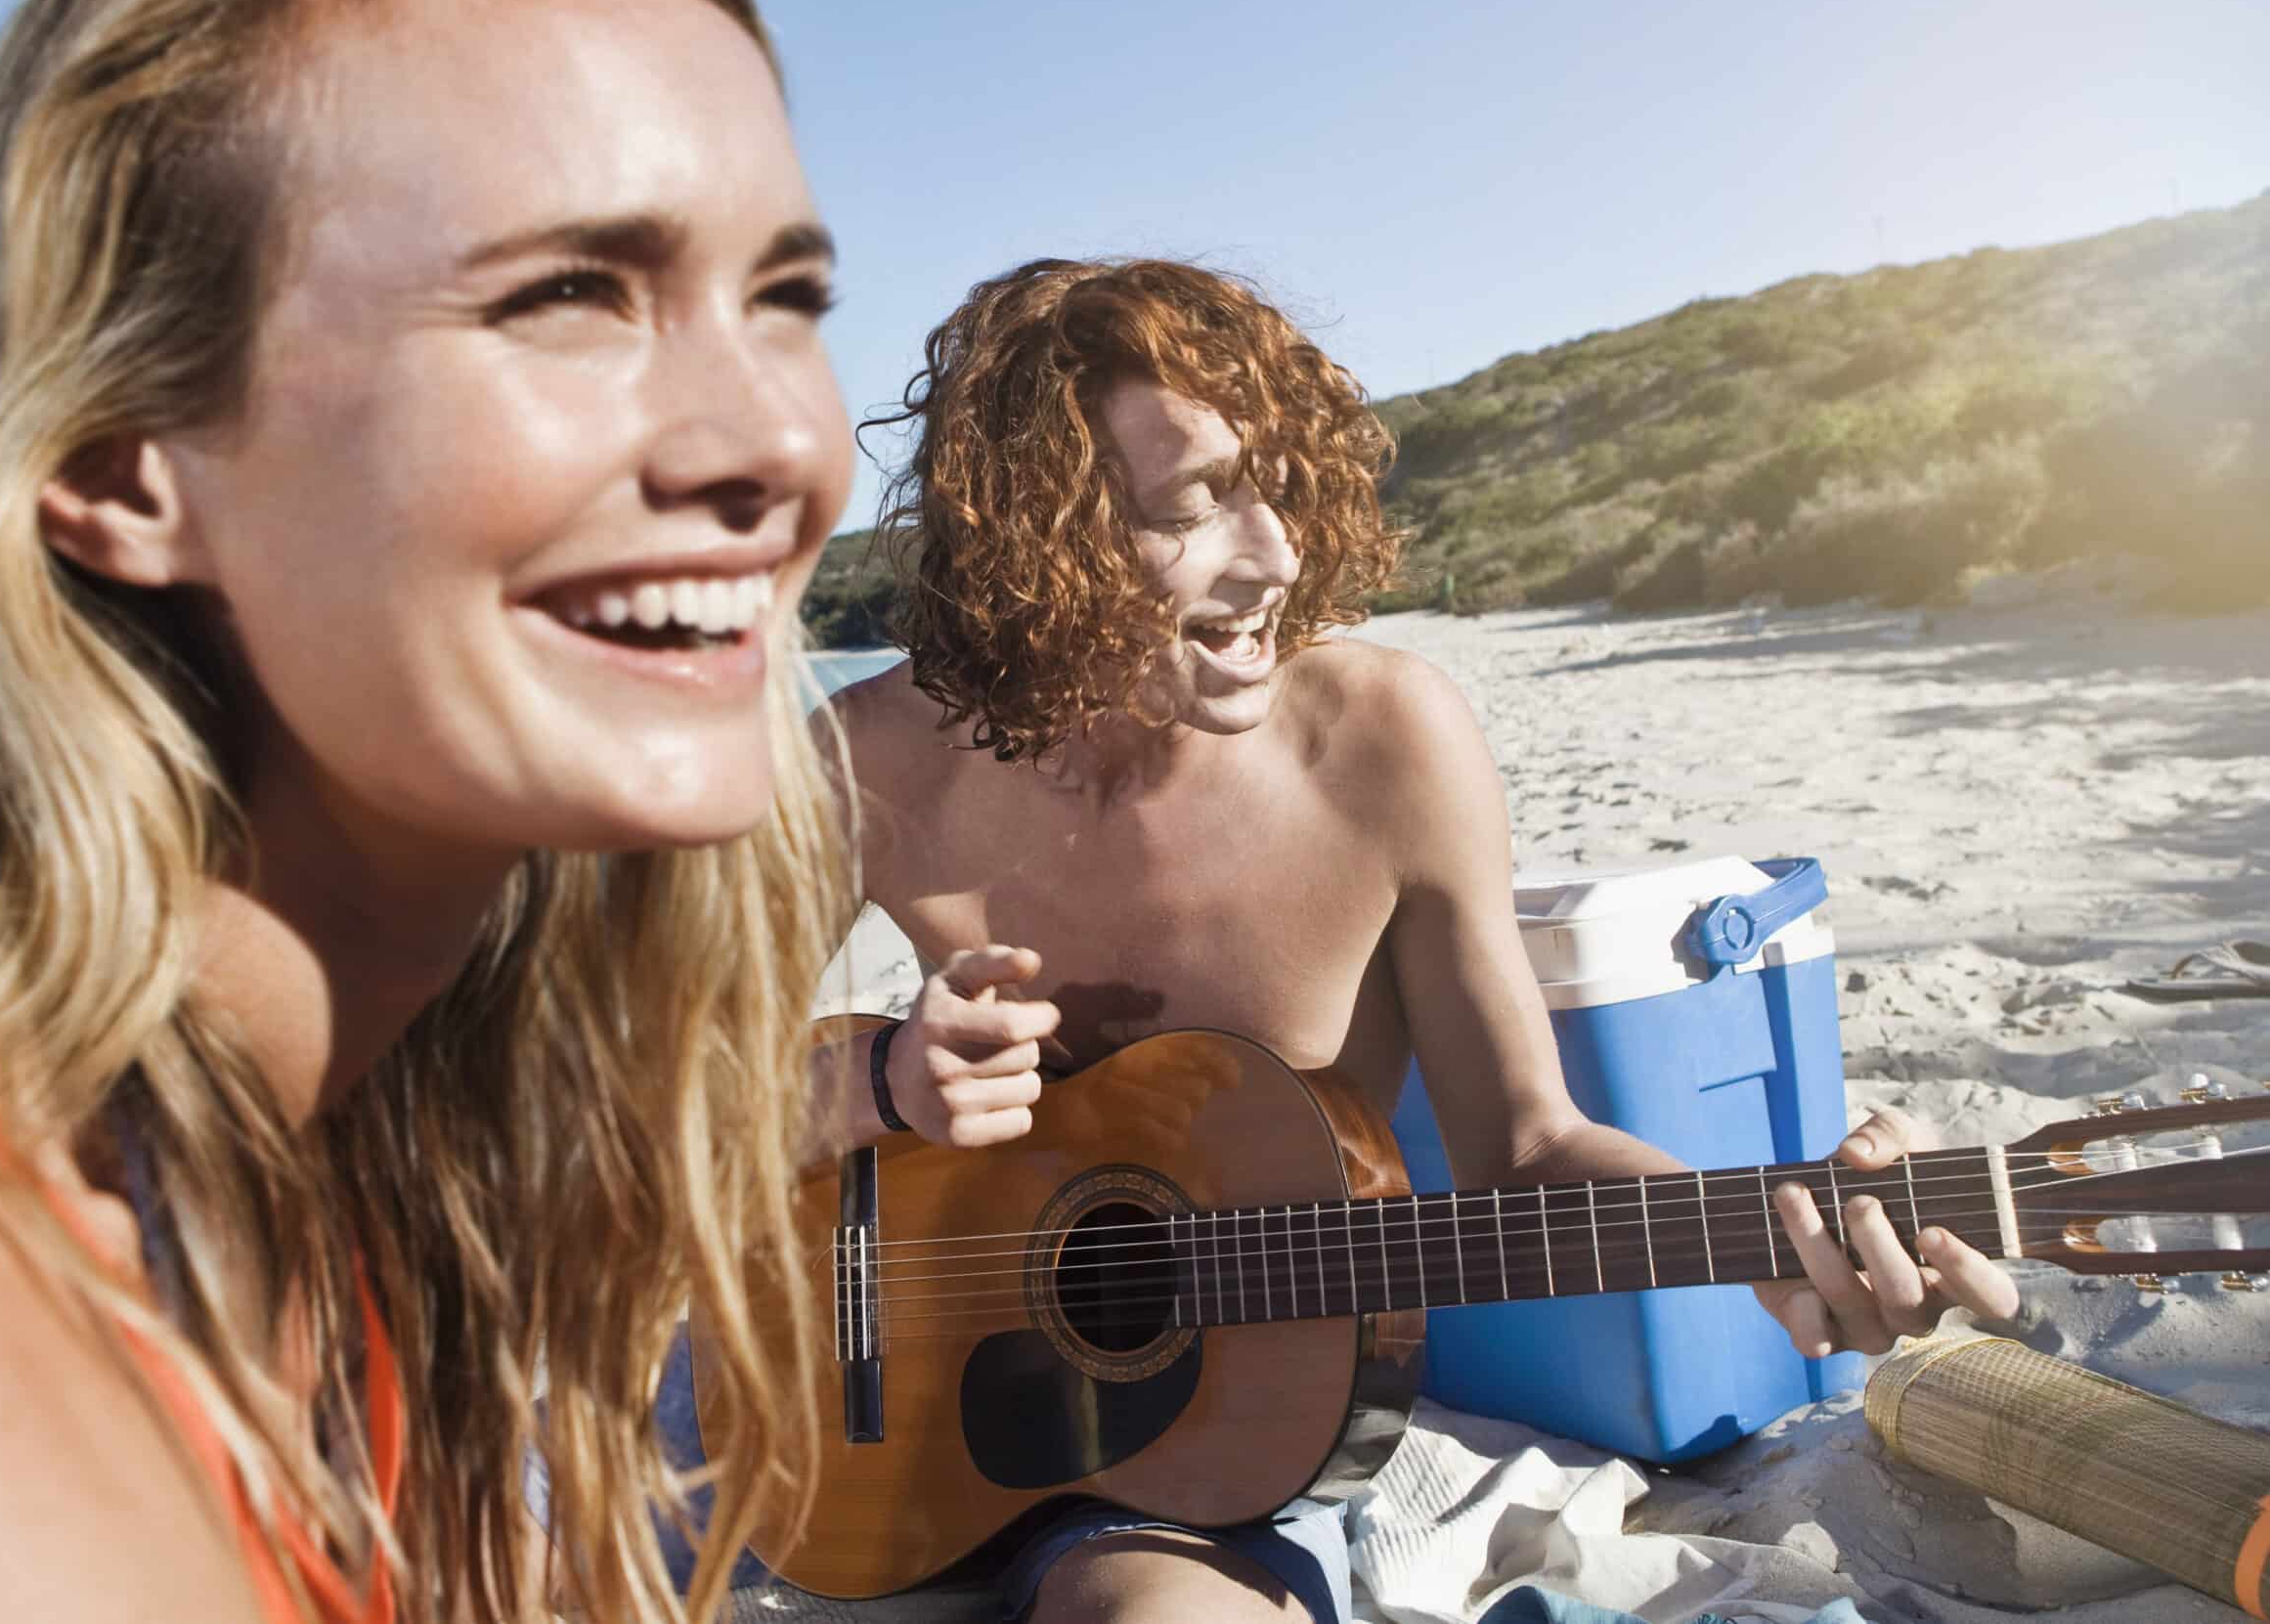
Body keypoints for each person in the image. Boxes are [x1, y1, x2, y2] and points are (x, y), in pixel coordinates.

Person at [0, 0, 855, 1624]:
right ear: (122, 462)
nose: (779, 451)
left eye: (784, 298)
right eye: (569, 295)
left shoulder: (353, 1165)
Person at [812, 257, 2022, 1624]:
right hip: (865, 1413)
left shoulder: (1383, 744)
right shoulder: (871, 768)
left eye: (1271, 485)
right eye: (1192, 507)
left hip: (1212, 1470)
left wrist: (1771, 1240)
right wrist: (881, 1084)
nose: (1273, 556)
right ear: (1038, 533)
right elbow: (630, 1109)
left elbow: (1525, 1148)